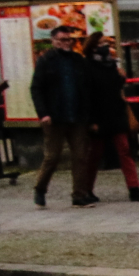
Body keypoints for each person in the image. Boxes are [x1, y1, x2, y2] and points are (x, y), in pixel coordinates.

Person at [28, 22, 100, 207]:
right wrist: (43, 113)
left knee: (80, 156)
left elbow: (88, 89)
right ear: (53, 41)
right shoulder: (46, 60)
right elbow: (37, 89)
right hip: (55, 117)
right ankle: (40, 189)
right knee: (52, 157)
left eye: (68, 40)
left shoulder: (78, 60)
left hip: (77, 116)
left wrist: (90, 117)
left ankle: (79, 195)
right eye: (62, 40)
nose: (66, 43)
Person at [86, 33, 139, 202]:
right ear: (93, 46)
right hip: (99, 115)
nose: (106, 46)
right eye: (102, 43)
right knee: (95, 155)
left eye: (106, 43)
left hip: (116, 112)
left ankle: (134, 187)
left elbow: (115, 87)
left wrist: (121, 77)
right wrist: (91, 121)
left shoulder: (111, 64)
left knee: (125, 150)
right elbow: (87, 95)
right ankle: (86, 189)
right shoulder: (87, 67)